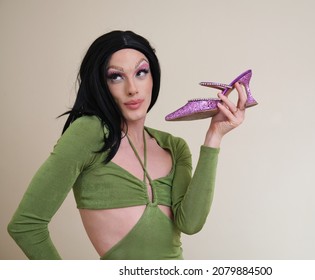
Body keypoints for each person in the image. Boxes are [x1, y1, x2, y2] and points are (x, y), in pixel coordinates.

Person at [8, 30, 248, 260]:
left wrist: (214, 136)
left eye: (141, 72)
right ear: (102, 85)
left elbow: (191, 224)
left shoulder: (174, 147)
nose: (132, 89)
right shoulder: (89, 132)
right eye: (116, 76)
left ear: (153, 77)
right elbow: (25, 226)